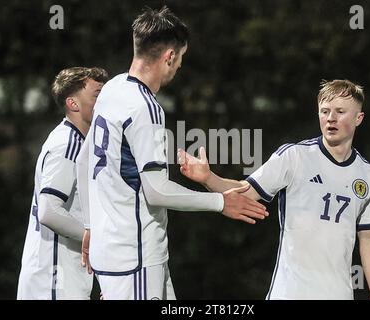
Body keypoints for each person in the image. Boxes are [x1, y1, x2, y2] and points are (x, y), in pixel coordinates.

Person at [76, 6, 267, 300]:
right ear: (169, 57)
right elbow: (156, 191)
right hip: (134, 258)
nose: (179, 66)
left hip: (119, 251)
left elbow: (85, 159)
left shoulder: (112, 88)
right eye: (181, 58)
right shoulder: (146, 107)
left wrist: (90, 225)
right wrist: (220, 202)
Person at [178, 79, 370, 300]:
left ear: (358, 118)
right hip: (290, 293)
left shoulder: (368, 175)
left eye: (340, 111)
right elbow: (245, 190)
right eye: (324, 111)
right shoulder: (294, 157)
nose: (330, 118)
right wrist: (208, 178)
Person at [17, 67, 108, 299]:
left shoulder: (80, 142)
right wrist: (95, 238)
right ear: (73, 104)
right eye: (98, 95)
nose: (106, 101)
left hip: (62, 280)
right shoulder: (68, 144)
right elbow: (48, 212)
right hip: (54, 283)